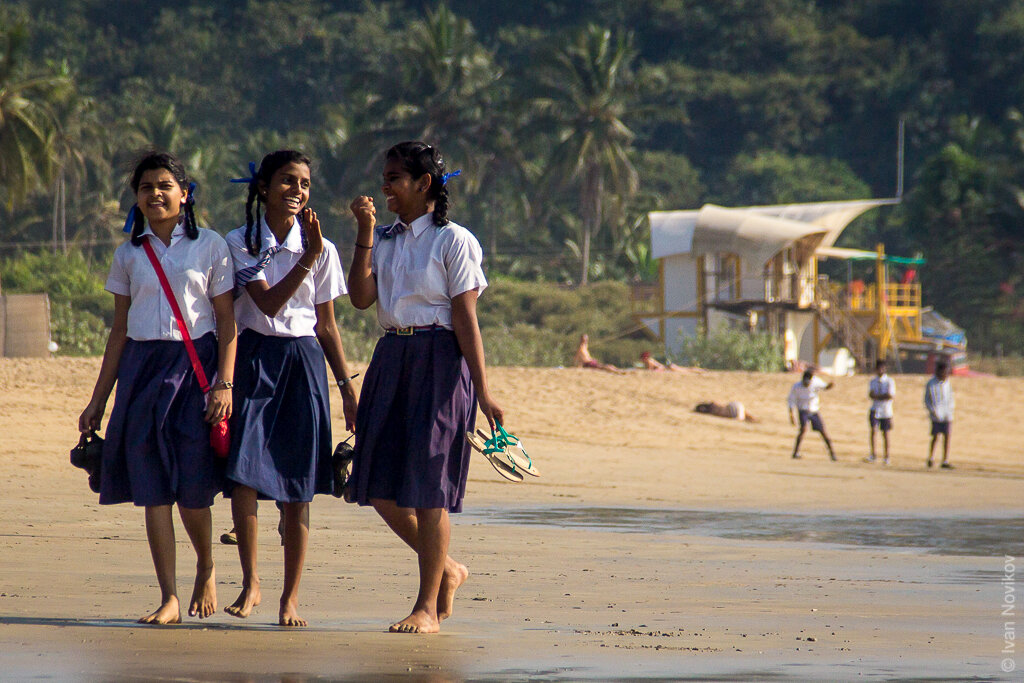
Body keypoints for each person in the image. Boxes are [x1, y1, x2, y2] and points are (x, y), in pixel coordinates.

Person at [347, 140, 501, 634]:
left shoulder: (455, 240)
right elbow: (360, 298)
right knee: (375, 483)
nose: (386, 187)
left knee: (430, 487)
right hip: (391, 355)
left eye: (395, 178)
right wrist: (365, 232)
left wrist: (483, 390)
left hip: (441, 359)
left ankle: (427, 607)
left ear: (424, 183)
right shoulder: (385, 238)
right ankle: (449, 570)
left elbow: (466, 318)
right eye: (385, 178)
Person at [78, 152, 236, 624]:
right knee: (152, 490)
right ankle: (169, 597)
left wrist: (224, 384)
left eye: (165, 186)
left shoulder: (210, 246)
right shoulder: (127, 254)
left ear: (185, 194)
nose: (155, 194)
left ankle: (206, 566)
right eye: (146, 187)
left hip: (195, 371)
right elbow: (119, 331)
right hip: (142, 371)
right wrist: (98, 400)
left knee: (193, 487)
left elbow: (227, 322)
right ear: (137, 197)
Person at [224, 150, 359, 627]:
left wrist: (347, 388)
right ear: (263, 187)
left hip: (304, 362)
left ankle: (290, 598)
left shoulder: (322, 247)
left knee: (299, 486)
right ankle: (251, 582)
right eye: (286, 181)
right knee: (243, 472)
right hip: (255, 357)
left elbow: (327, 325)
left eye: (303, 183)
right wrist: (309, 258)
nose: (296, 191)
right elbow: (267, 305)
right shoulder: (241, 241)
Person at [787, 369, 837, 461]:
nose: (807, 384)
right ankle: (795, 453)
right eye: (805, 382)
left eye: (808, 383)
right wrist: (791, 415)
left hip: (814, 410)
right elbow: (791, 401)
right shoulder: (796, 387)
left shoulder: (816, 382)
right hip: (803, 410)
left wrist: (830, 386)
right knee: (803, 429)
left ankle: (832, 454)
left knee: (823, 431)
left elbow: (825, 387)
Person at [924, 360, 955, 469]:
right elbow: (927, 399)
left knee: (947, 437)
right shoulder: (931, 383)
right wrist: (932, 411)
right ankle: (931, 458)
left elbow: (951, 398)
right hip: (936, 415)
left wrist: (950, 410)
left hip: (947, 414)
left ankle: (945, 460)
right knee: (935, 436)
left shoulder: (947, 383)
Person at [865, 359, 895, 464]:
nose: (880, 370)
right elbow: (871, 395)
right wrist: (880, 396)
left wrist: (878, 397)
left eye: (882, 368)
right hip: (875, 409)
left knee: (885, 434)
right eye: (878, 368)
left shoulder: (889, 381)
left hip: (886, 411)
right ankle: (873, 454)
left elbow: (890, 395)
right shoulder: (873, 381)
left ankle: (886, 456)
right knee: (873, 431)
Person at [694, 401, 758, 423]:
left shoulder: (714, 409)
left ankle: (753, 419)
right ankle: (753, 419)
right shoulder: (714, 408)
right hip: (735, 408)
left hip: (734, 410)